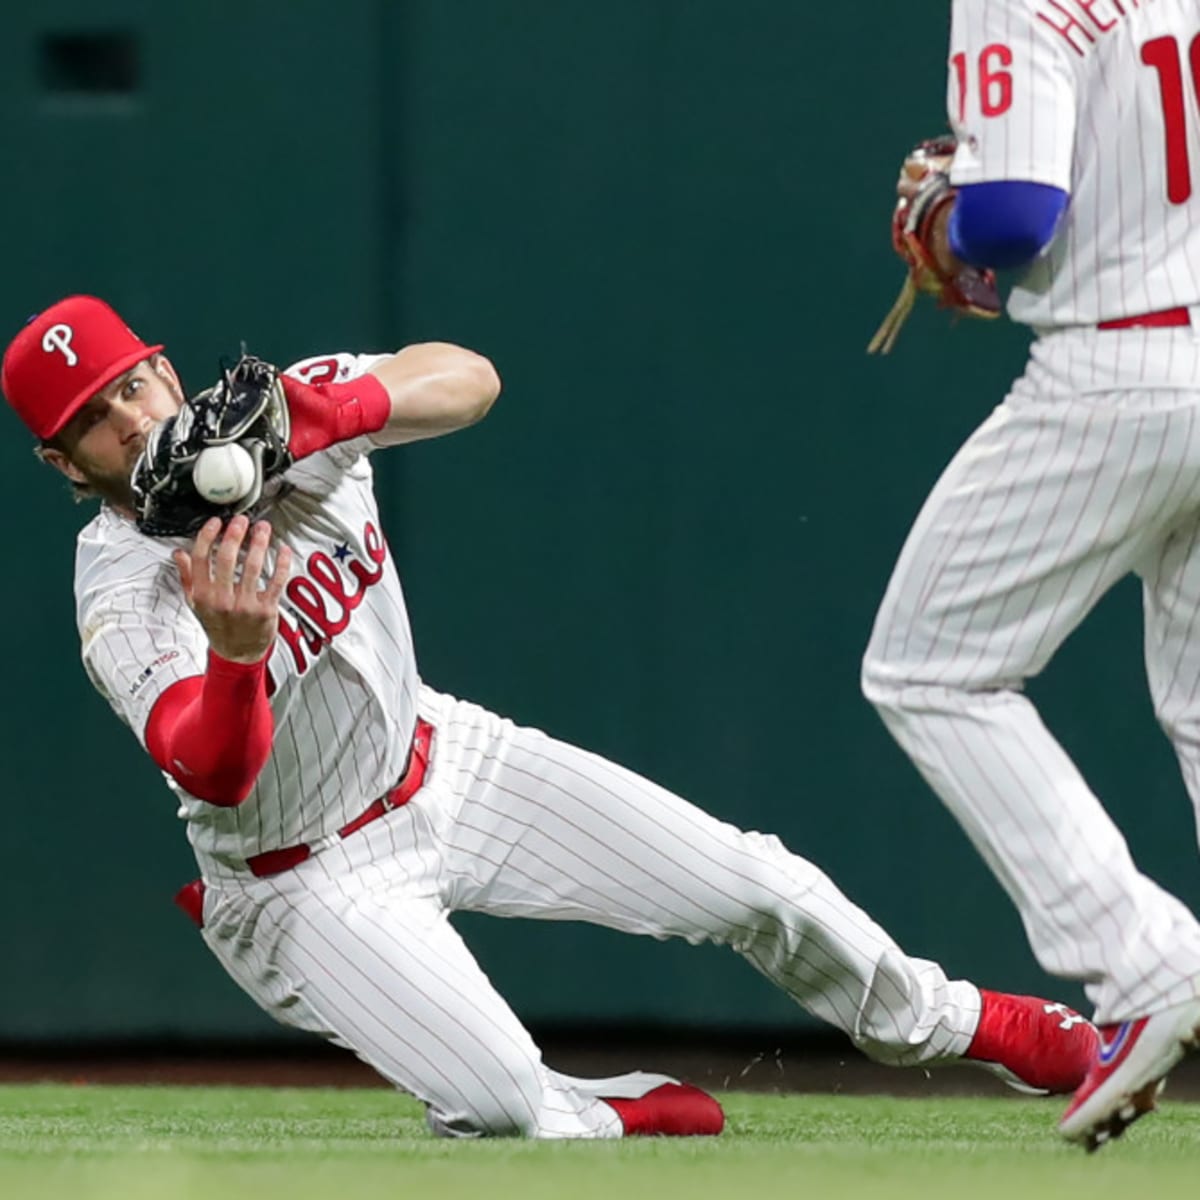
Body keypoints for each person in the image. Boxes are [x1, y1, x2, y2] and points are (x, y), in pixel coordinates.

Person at [2, 294, 1095, 1140]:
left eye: (133, 384)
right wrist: (237, 659)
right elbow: (216, 770)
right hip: (301, 881)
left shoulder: (283, 410)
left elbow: (467, 379)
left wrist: (328, 414)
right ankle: (589, 1110)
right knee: (503, 1104)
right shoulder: (122, 592)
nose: (132, 420)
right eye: (93, 421)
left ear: (164, 366)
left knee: (757, 881)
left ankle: (960, 1024)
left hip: (442, 762)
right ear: (63, 462)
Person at [862, 0, 1200, 1153]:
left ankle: (1148, 964)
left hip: (1119, 369)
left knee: (929, 670)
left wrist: (950, 224)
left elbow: (1012, 219)